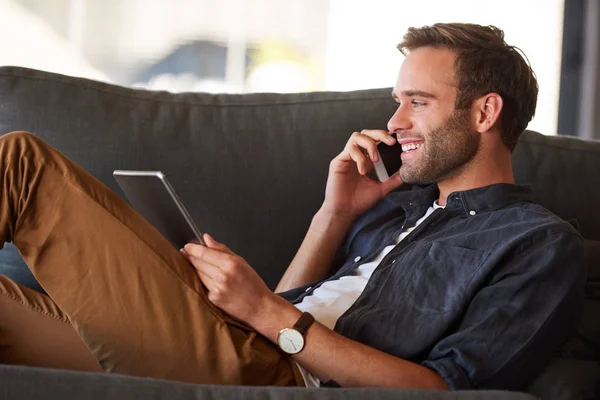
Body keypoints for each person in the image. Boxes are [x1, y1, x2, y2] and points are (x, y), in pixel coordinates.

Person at [0, 22, 585, 391]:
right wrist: (334, 215)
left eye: (418, 102)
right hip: (247, 344)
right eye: (396, 102)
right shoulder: (393, 207)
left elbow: (440, 388)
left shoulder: (534, 242)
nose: (395, 122)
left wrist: (264, 313)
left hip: (279, 373)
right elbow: (285, 307)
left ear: (485, 114)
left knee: (21, 164)